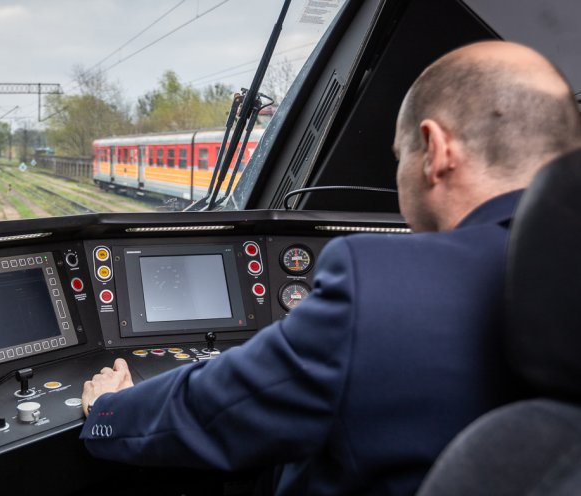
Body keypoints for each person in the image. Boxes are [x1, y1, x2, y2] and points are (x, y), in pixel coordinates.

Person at [79, 41, 581, 495]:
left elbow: (212, 413)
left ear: (435, 150)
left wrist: (110, 410)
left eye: (400, 156)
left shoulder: (383, 286)